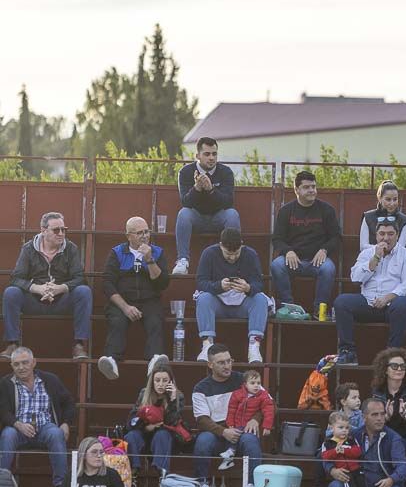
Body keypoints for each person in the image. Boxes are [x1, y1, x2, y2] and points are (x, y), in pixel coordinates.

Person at [2, 211, 91, 360]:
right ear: (43, 231)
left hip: (62, 301)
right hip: (34, 301)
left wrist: (60, 288)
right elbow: (16, 278)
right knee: (11, 292)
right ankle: (12, 344)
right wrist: (37, 288)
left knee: (84, 291)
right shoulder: (29, 249)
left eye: (64, 230)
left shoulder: (71, 249)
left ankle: (79, 345)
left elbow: (80, 278)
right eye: (56, 230)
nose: (61, 234)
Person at [332, 216, 406, 366]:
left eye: (390, 234)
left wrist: (387, 298)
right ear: (376, 235)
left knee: (403, 303)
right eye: (382, 234)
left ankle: (392, 356)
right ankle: (348, 353)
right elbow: (355, 277)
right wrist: (375, 258)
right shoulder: (367, 253)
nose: (386, 238)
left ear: (397, 235)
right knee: (341, 302)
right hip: (369, 303)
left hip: (394, 305)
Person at [98, 216, 170, 380]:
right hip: (122, 300)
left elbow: (162, 284)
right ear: (128, 236)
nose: (144, 236)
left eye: (146, 232)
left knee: (155, 320)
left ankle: (155, 360)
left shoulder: (157, 252)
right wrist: (125, 307)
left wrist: (149, 259)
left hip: (149, 299)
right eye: (139, 233)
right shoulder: (117, 252)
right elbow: (107, 284)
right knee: (117, 321)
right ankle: (112, 360)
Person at [322, 397, 406, 487]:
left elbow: (403, 467)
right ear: (364, 417)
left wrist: (391, 480)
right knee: (335, 486)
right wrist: (332, 470)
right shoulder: (353, 435)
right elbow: (324, 453)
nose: (380, 418)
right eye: (375, 414)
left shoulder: (393, 438)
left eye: (382, 414)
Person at [191, 343, 261, 487]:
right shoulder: (200, 388)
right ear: (210, 364)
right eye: (221, 362)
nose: (227, 366)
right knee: (203, 441)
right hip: (216, 434)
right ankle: (201, 484)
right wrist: (224, 432)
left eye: (229, 361)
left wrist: (255, 419)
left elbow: (266, 402)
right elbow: (202, 419)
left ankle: (252, 485)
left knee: (250, 440)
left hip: (241, 431)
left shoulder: (244, 380)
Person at [0, 348, 74, 487]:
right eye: (16, 364)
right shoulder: (5, 383)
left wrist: (65, 423)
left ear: (34, 363)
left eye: (25, 363)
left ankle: (61, 485)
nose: (21, 367)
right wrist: (17, 424)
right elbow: (3, 411)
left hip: (45, 428)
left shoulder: (50, 379)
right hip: (18, 430)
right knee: (7, 434)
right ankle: (1, 484)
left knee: (56, 433)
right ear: (11, 366)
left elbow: (69, 402)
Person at [270, 170, 341, 314]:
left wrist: (324, 250)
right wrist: (287, 251)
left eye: (313, 187)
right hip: (293, 261)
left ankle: (319, 310)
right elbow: (277, 238)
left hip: (317, 261)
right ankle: (288, 308)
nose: (311, 190)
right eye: (306, 187)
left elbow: (336, 237)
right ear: (296, 190)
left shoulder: (327, 210)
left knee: (329, 269)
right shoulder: (286, 211)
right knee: (277, 265)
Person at [194, 228, 269, 364]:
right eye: (228, 254)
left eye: (236, 253)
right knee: (203, 298)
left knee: (260, 299)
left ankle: (254, 346)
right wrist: (218, 286)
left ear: (242, 244)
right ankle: (207, 345)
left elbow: (259, 283)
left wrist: (248, 287)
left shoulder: (251, 254)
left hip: (243, 304)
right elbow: (200, 282)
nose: (233, 257)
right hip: (218, 303)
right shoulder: (209, 253)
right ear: (221, 245)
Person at [172, 137, 241, 275]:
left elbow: (228, 202)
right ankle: (183, 261)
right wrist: (197, 188)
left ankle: (234, 260)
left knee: (232, 214)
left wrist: (211, 190)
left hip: (218, 218)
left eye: (214, 154)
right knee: (184, 213)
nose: (211, 158)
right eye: (207, 154)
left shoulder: (225, 172)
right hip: (196, 218)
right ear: (197, 155)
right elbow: (185, 202)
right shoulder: (185, 172)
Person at [123, 362, 186, 478]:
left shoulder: (178, 396)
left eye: (165, 380)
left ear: (170, 381)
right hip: (145, 435)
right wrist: (147, 427)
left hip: (165, 438)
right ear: (152, 381)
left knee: (162, 434)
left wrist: (172, 400)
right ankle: (133, 473)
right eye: (157, 380)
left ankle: (162, 476)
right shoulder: (144, 394)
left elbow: (172, 422)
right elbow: (131, 421)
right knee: (131, 435)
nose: (161, 384)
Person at [309, 382, 365, 487]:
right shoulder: (335, 416)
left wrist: (345, 428)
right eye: (354, 398)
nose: (358, 401)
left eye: (359, 397)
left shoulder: (361, 416)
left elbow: (361, 432)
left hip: (350, 448)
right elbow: (328, 434)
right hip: (335, 447)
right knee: (320, 455)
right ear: (343, 402)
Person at [368, 348, 406, 461]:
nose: (399, 369)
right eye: (395, 366)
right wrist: (386, 417)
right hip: (384, 436)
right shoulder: (377, 393)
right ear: (385, 369)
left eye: (402, 366)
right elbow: (371, 423)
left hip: (405, 438)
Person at [320, 411, 369, 487]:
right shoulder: (328, 442)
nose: (344, 430)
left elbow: (358, 452)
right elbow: (324, 456)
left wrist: (345, 450)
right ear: (331, 428)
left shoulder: (351, 440)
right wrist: (335, 451)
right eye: (341, 427)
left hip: (357, 470)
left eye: (347, 428)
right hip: (344, 472)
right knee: (343, 482)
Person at [221, 369, 274, 470]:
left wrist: (267, 426)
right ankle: (229, 457)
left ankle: (230, 452)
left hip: (250, 428)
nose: (256, 385)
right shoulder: (237, 394)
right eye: (252, 383)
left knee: (243, 437)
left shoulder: (263, 395)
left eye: (258, 383)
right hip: (237, 425)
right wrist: (230, 424)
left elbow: (269, 410)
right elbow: (231, 409)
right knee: (233, 433)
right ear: (245, 384)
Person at [359, 180, 406, 252]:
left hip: (395, 261)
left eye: (395, 199)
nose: (392, 203)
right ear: (380, 198)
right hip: (370, 257)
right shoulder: (368, 217)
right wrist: (379, 248)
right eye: (388, 199)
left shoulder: (404, 220)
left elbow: (400, 248)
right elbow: (363, 246)